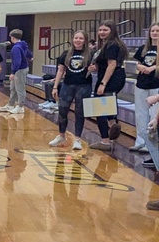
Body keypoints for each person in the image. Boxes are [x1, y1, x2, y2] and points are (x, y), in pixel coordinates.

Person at [88, 20, 129, 151]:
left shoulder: (111, 45)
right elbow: (106, 64)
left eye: (105, 30)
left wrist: (103, 83)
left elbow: (112, 65)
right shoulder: (110, 45)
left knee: (99, 109)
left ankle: (105, 141)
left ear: (112, 31)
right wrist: (95, 68)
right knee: (108, 104)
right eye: (100, 30)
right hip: (115, 77)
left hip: (110, 79)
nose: (101, 32)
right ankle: (112, 124)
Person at [48, 30, 92, 151]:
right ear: (72, 39)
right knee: (62, 110)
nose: (78, 40)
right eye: (76, 38)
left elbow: (96, 68)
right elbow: (61, 71)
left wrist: (94, 68)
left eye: (81, 38)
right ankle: (61, 135)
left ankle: (77, 139)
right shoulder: (66, 53)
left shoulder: (90, 53)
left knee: (79, 112)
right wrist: (56, 86)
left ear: (85, 40)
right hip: (67, 85)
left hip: (84, 86)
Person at [130, 22, 158, 158]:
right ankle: (140, 140)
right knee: (141, 113)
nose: (155, 33)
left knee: (154, 115)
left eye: (157, 31)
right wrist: (140, 67)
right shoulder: (143, 48)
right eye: (153, 31)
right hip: (141, 84)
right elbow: (137, 63)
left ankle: (151, 144)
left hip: (156, 84)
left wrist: (153, 68)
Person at [1, 28, 31, 114]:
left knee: (20, 88)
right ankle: (11, 104)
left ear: (12, 37)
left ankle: (20, 106)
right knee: (13, 87)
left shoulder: (16, 48)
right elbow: (28, 53)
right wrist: (30, 56)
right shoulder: (23, 44)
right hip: (21, 68)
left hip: (20, 70)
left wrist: (13, 72)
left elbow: (17, 61)